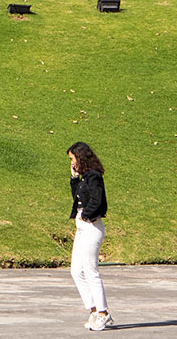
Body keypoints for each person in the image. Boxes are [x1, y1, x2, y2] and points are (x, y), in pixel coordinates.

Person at [68, 141, 112, 331]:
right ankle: (93, 309)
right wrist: (74, 180)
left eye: (72, 159)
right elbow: (77, 198)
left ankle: (103, 313)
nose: (71, 163)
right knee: (76, 270)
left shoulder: (94, 175)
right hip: (82, 229)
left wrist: (86, 215)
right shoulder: (84, 177)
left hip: (92, 227)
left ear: (80, 157)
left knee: (90, 270)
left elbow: (97, 199)